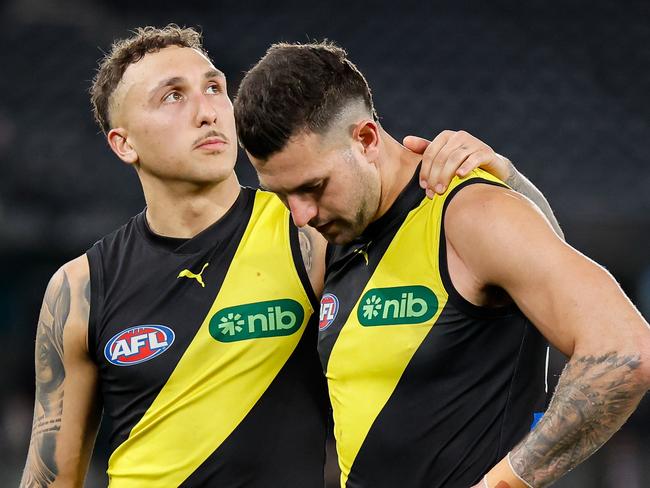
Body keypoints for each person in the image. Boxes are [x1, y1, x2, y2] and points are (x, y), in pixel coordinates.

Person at [19, 26, 543, 487]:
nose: (207, 111)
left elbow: (533, 270)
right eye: (172, 97)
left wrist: (506, 179)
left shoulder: (314, 234)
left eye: (214, 87)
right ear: (122, 143)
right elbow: (50, 478)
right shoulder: (81, 287)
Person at [234, 41, 650, 488]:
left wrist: (503, 484)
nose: (301, 214)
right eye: (281, 195)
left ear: (367, 139)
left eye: (313, 187)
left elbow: (627, 352)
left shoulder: (469, 213)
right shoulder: (332, 233)